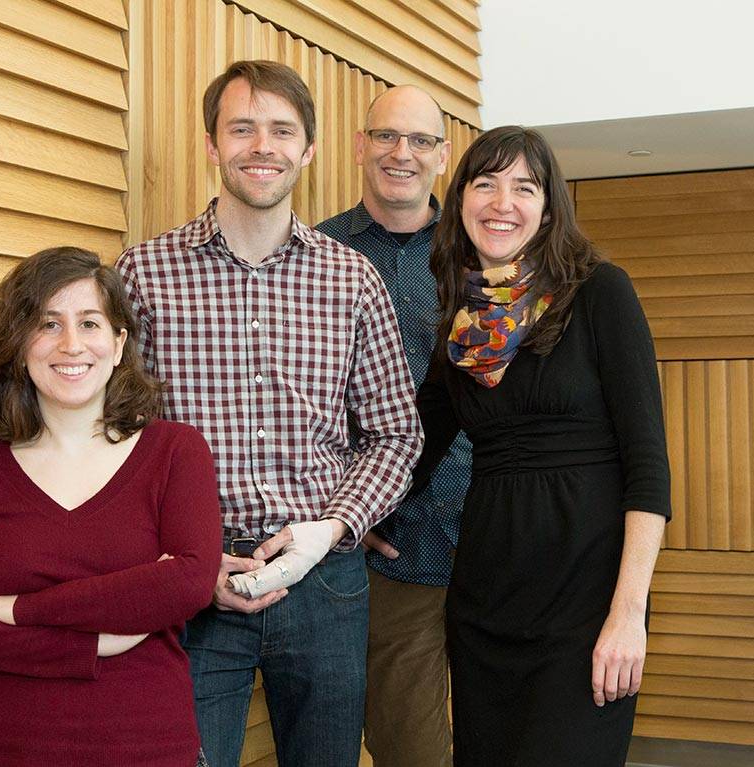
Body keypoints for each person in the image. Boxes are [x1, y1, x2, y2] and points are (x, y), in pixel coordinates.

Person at [114, 61, 423, 767]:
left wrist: (332, 526)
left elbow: (396, 434)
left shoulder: (352, 279)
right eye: (242, 127)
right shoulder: (144, 273)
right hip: (194, 581)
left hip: (325, 584)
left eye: (282, 130)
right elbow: (117, 437)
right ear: (211, 144)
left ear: (308, 151)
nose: (263, 145)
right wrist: (180, 554)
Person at [416, 126, 671, 766]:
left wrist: (628, 616)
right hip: (486, 600)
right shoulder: (463, 324)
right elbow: (414, 447)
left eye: (523, 188)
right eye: (485, 184)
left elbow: (648, 469)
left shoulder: (600, 294)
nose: (503, 202)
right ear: (461, 201)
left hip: (587, 602)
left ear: (549, 208)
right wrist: (357, 517)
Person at [0, 247, 222, 766]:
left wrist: (21, 610)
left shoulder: (175, 451)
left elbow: (188, 582)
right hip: (13, 750)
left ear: (119, 342)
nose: (71, 345)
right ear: (18, 346)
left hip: (147, 746)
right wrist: (94, 642)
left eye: (89, 323)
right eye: (47, 325)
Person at [316, 84, 469, 767]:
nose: (400, 153)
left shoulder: (482, 255)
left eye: (419, 140)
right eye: (385, 136)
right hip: (388, 548)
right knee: (410, 745)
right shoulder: (315, 257)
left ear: (443, 155)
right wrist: (351, 508)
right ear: (359, 146)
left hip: (491, 534)